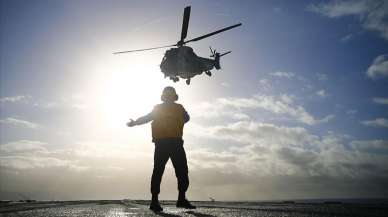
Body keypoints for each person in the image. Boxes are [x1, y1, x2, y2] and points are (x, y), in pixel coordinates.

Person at [127, 86, 196, 212]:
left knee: (181, 171)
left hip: (173, 143)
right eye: (168, 95)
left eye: (170, 95)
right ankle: (155, 201)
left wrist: (135, 123)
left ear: (172, 96)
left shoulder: (177, 108)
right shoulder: (164, 108)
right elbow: (147, 118)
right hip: (164, 143)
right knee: (159, 171)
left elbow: (186, 118)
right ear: (165, 97)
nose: (169, 97)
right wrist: (135, 122)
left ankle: (181, 199)